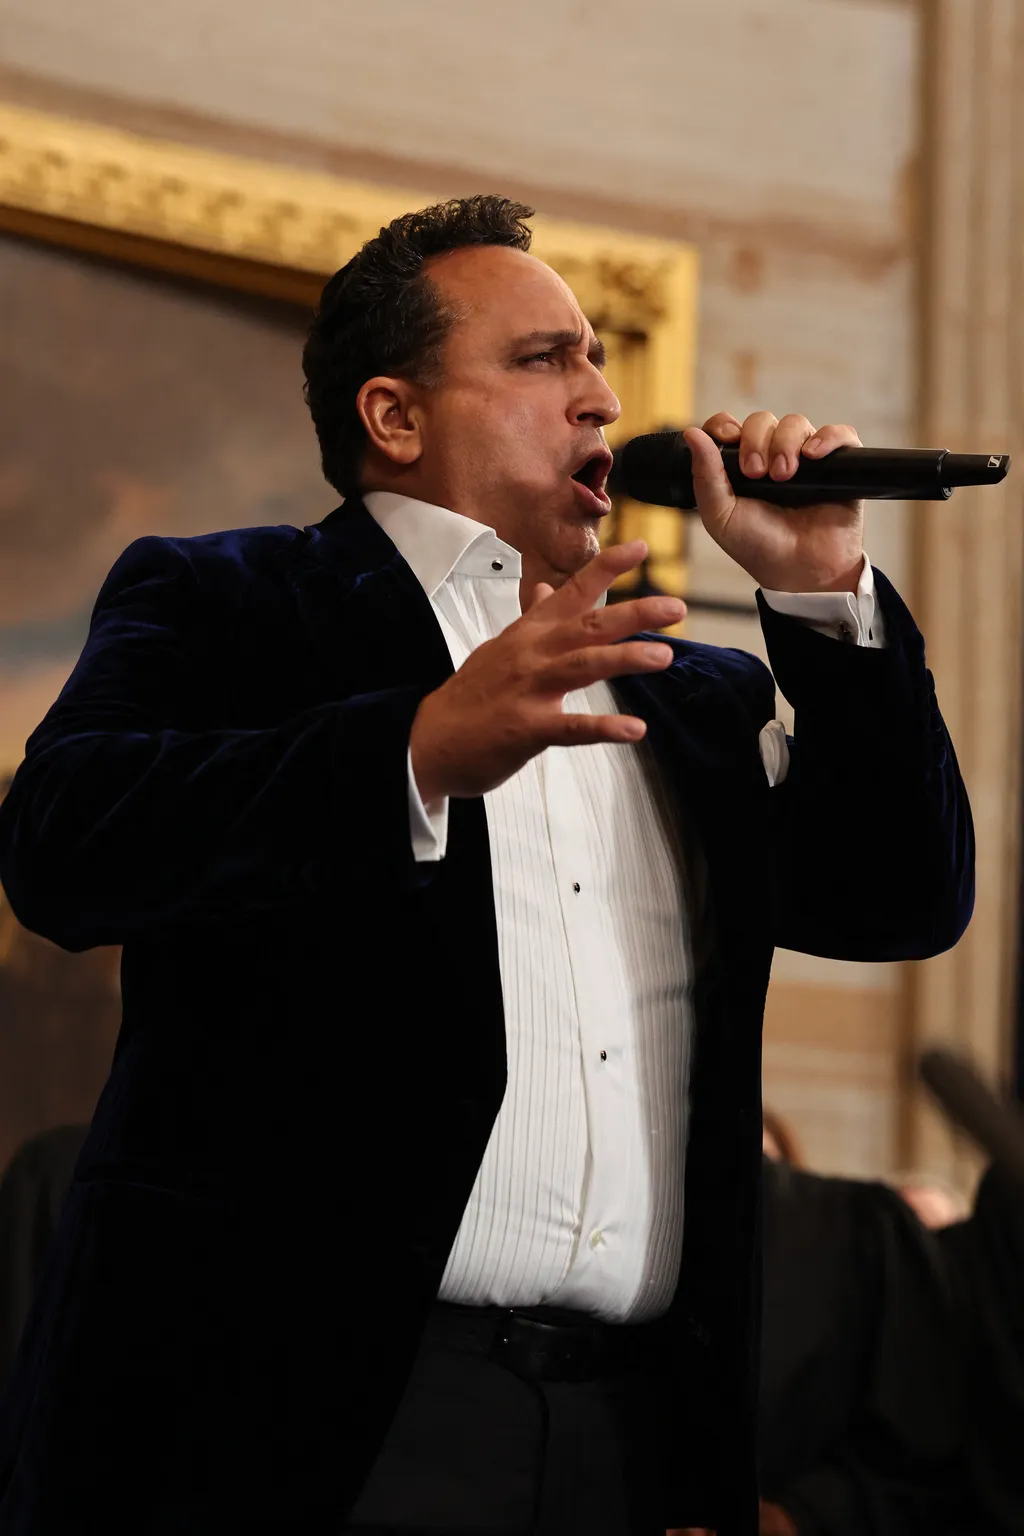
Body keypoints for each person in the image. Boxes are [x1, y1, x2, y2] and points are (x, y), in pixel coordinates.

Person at [0, 196, 973, 1536]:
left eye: (598, 359)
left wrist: (822, 594)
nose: (602, 398)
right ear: (393, 418)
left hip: (622, 1441)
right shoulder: (228, 602)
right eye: (543, 361)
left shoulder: (688, 696)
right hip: (311, 1429)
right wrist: (407, 751)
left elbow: (901, 898)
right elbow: (62, 844)